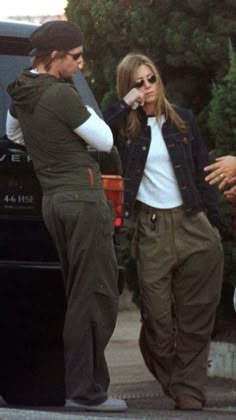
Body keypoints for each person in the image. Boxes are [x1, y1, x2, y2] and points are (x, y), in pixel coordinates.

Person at [6, 20, 127, 413]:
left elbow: (16, 136)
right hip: (82, 201)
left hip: (53, 202)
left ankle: (76, 385)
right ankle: (87, 392)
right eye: (75, 57)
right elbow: (106, 140)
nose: (81, 64)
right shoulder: (60, 94)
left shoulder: (20, 93)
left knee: (78, 292)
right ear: (55, 57)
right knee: (95, 295)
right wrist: (74, 109)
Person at [104, 53, 224, 411]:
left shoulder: (183, 121)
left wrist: (214, 225)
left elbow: (204, 172)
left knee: (196, 315)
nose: (147, 87)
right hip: (152, 228)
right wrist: (126, 105)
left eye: (151, 79)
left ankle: (190, 388)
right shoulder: (125, 129)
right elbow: (98, 130)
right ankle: (175, 378)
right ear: (128, 88)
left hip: (192, 223)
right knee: (157, 320)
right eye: (138, 82)